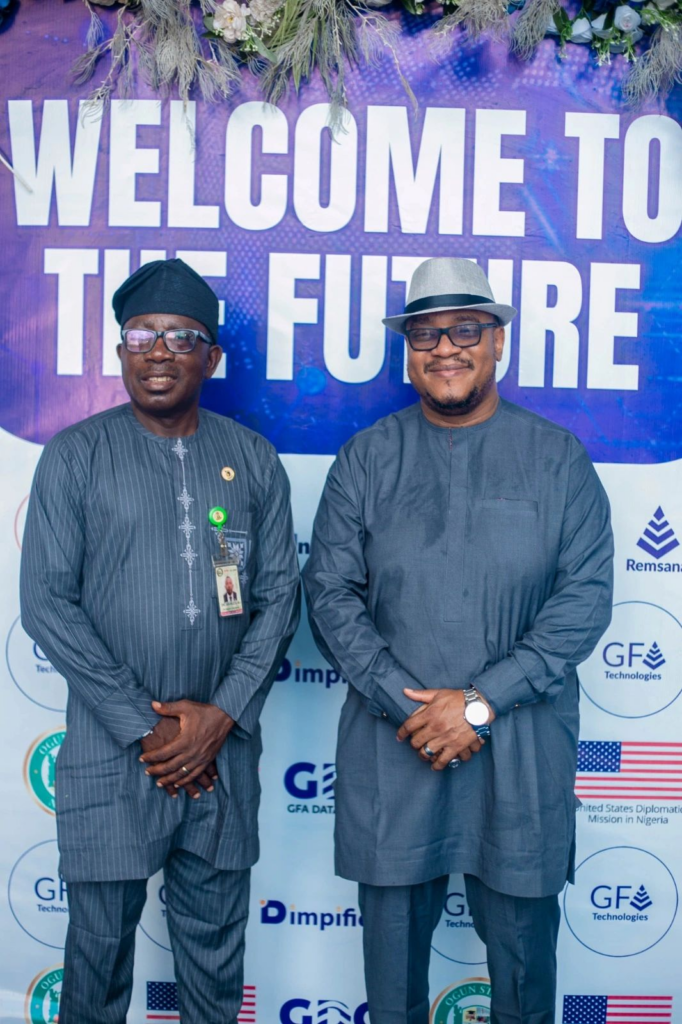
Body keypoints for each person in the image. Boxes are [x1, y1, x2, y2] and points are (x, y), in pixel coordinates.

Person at [302, 258, 614, 1024]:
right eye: (426, 334)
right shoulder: (367, 459)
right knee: (393, 986)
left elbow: (583, 600)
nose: (446, 349)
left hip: (521, 754)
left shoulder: (558, 460)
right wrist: (411, 705)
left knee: (523, 981)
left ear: (498, 341)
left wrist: (479, 704)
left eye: (465, 330)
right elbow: (330, 594)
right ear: (408, 351)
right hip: (394, 748)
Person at [20, 258, 301, 1024]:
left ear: (211, 357)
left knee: (214, 971)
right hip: (113, 756)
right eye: (142, 335)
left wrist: (219, 716)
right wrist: (146, 727)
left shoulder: (252, 460)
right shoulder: (76, 456)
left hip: (221, 759)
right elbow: (47, 602)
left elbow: (279, 599)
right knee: (97, 965)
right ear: (120, 350)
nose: (159, 352)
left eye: (182, 337)